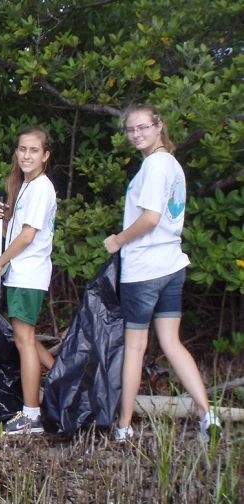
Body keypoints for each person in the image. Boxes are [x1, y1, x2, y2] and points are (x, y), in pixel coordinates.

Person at [103, 104, 220, 442]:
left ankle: (123, 427)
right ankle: (206, 414)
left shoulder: (155, 165)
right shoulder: (172, 164)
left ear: (158, 126)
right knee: (171, 342)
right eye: (131, 129)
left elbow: (151, 218)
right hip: (172, 264)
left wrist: (118, 240)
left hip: (145, 268)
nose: (136, 134)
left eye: (143, 127)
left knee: (135, 347)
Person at [0, 126, 57, 434]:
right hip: (21, 272)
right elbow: (13, 234)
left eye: (33, 150)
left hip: (29, 272)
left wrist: (0, 262)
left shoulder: (41, 187)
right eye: (22, 149)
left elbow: (28, 237)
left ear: (45, 155)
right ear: (16, 153)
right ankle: (62, 378)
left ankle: (31, 415)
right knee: (23, 335)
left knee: (24, 341)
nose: (27, 155)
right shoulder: (25, 186)